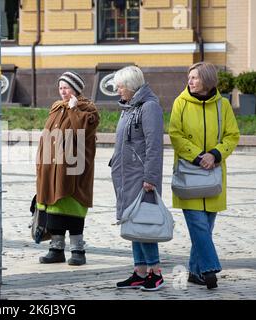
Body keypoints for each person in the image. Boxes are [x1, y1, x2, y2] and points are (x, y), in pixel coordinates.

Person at [169, 62, 240, 289]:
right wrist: (199, 156)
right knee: (199, 226)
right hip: (189, 174)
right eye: (189, 77)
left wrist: (216, 154)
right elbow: (175, 135)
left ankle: (194, 272)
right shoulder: (180, 103)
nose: (190, 81)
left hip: (213, 175)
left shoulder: (223, 105)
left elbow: (232, 135)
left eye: (195, 78)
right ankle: (209, 268)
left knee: (205, 228)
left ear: (207, 80)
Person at [110, 66, 165, 291]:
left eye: (120, 86)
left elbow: (154, 146)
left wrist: (150, 177)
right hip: (126, 176)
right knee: (133, 223)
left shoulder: (149, 108)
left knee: (145, 223)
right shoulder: (129, 108)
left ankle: (156, 272)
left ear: (132, 86)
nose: (117, 90)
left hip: (142, 178)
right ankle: (140, 272)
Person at [36, 71, 99, 266]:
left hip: (74, 169)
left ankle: (78, 251)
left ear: (76, 89)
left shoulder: (88, 110)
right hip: (51, 167)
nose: (63, 91)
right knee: (54, 210)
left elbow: (83, 131)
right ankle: (56, 249)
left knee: (73, 209)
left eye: (67, 88)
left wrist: (74, 110)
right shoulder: (56, 107)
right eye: (61, 87)